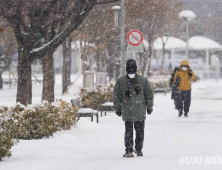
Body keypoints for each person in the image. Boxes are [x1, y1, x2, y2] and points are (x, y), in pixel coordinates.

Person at [113, 59, 154, 158]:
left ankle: (136, 149)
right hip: (131, 111)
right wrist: (117, 108)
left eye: (132, 70)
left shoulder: (142, 81)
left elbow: (149, 94)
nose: (131, 72)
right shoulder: (122, 81)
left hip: (137, 110)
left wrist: (149, 106)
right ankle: (130, 150)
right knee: (131, 132)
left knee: (136, 132)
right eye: (130, 70)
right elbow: (117, 96)